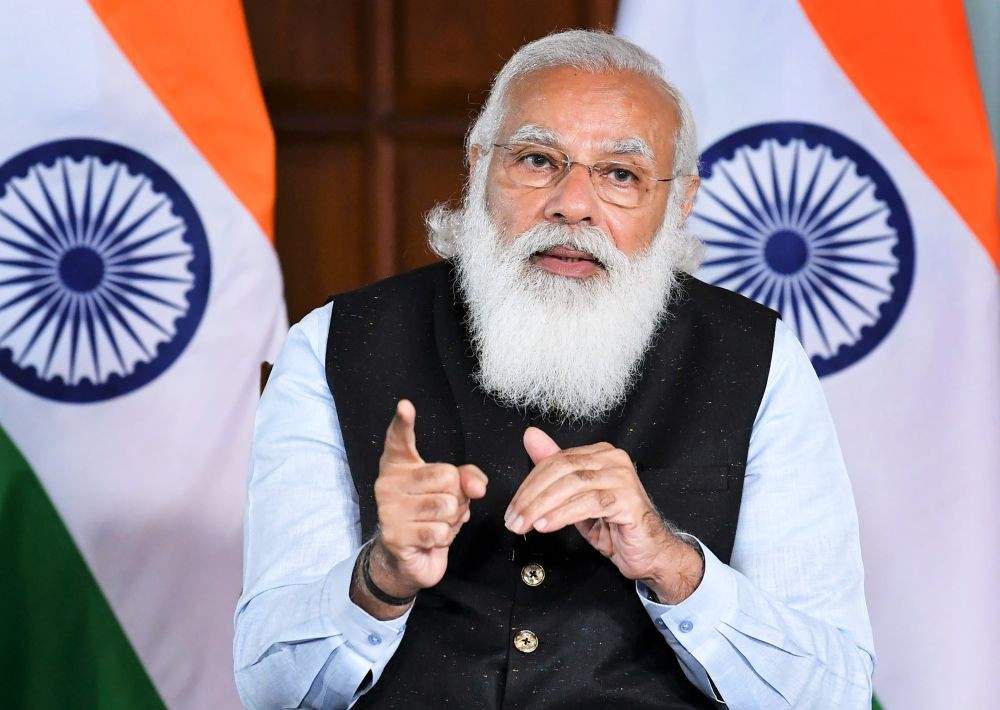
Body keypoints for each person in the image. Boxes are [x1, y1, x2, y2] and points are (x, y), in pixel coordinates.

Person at [234, 30, 875, 709]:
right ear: (481, 170)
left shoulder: (758, 359)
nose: (573, 203)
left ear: (679, 201)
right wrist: (379, 581)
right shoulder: (333, 344)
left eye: (621, 174)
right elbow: (270, 689)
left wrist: (670, 562)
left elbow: (832, 693)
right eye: (538, 160)